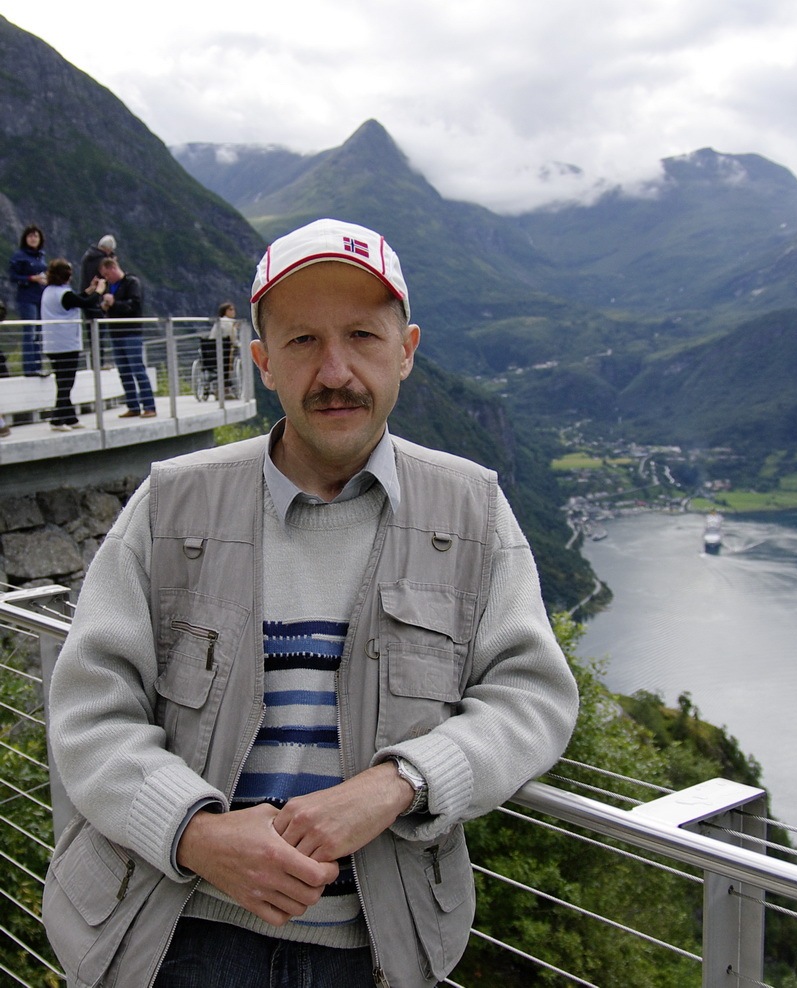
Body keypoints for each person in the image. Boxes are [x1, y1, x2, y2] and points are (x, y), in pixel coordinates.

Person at [43, 217, 579, 988]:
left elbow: (533, 699)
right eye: (302, 341)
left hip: (375, 950)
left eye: (362, 336)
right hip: (175, 937)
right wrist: (195, 833)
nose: (335, 371)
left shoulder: (471, 512)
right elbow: (89, 711)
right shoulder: (172, 506)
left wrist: (399, 783)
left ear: (406, 350)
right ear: (262, 360)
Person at [39, 258, 105, 430]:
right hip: (66, 343)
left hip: (52, 343)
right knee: (66, 383)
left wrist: (89, 290)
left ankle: (70, 418)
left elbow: (75, 300)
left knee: (62, 381)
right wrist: (98, 291)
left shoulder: (50, 291)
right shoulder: (64, 294)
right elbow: (85, 303)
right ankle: (56, 420)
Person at [98, 256, 156, 417]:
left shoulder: (132, 283)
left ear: (113, 268)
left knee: (137, 368)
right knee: (124, 371)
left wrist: (114, 303)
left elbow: (134, 306)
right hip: (115, 333)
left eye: (107, 274)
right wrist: (105, 306)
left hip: (131, 332)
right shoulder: (110, 287)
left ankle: (149, 406)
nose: (106, 278)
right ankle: (133, 406)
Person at [7, 224, 47, 375]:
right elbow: (13, 277)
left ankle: (38, 365)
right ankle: (30, 368)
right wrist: (31, 278)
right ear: (25, 238)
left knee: (39, 333)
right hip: (27, 298)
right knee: (30, 332)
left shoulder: (41, 256)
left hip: (40, 297)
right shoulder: (19, 256)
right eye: (30, 236)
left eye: (36, 236)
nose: (33, 239)